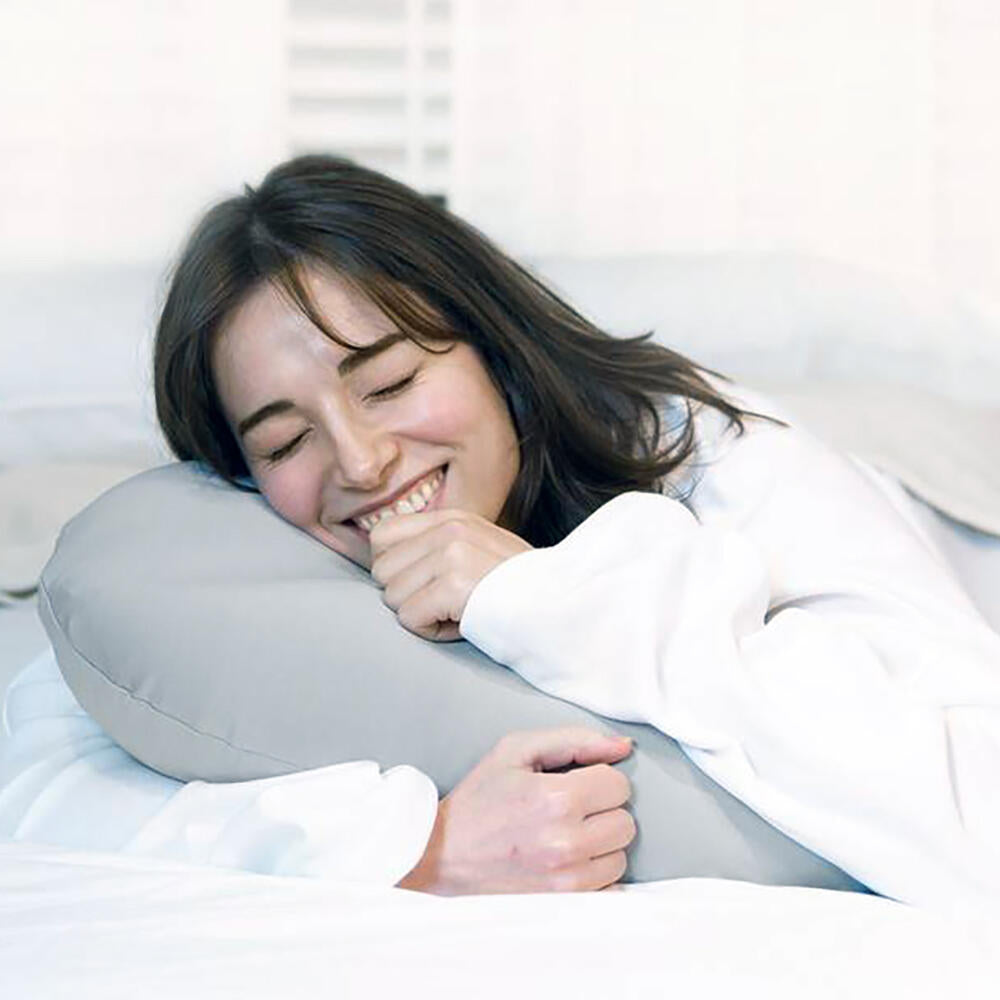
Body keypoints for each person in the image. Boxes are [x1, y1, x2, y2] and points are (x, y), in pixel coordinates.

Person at [40, 152, 1000, 910]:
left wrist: (546, 595)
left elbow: (971, 805)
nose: (363, 463)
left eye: (391, 384)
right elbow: (43, 790)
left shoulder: (721, 455)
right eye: (286, 439)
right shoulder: (256, 558)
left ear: (495, 350)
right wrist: (413, 848)